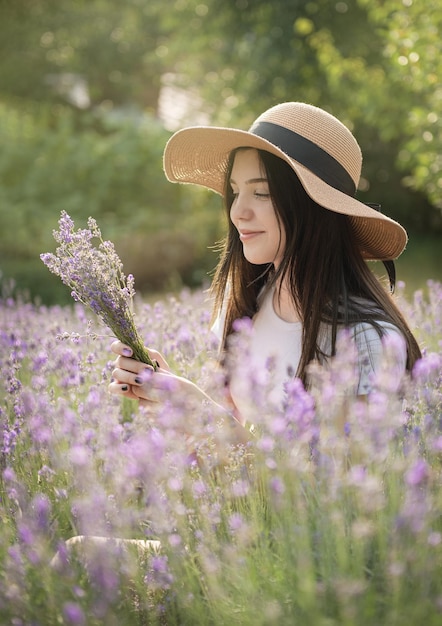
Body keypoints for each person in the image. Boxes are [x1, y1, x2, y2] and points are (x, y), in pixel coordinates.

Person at [109, 101, 421, 436]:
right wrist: (170, 395)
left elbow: (334, 485)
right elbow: (232, 443)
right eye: (235, 192)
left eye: (261, 192)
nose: (237, 212)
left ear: (314, 206)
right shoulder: (248, 299)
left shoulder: (364, 339)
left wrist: (204, 418)